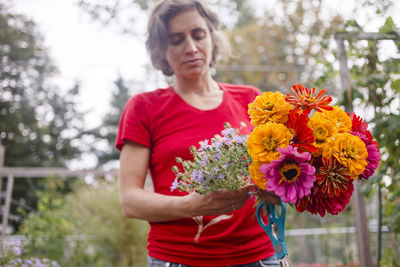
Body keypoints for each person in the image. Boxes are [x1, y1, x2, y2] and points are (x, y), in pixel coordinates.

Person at [116, 0, 280, 266]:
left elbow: (274, 174)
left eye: (198, 35)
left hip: (258, 257)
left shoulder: (251, 99)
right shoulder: (144, 108)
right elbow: (130, 201)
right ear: (161, 51)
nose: (191, 48)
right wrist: (191, 206)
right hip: (178, 259)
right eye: (176, 39)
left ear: (212, 39)